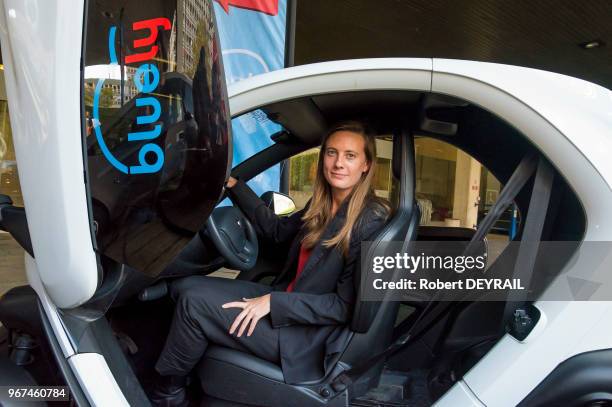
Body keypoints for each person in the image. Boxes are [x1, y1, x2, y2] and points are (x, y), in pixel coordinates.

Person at [151, 121, 391, 406]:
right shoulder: (324, 204)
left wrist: (272, 304)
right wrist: (234, 186)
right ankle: (184, 376)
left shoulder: (368, 220)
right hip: (290, 305)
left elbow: (344, 306)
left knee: (193, 303)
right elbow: (277, 232)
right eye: (331, 153)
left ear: (366, 165)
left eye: (350, 156)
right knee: (185, 286)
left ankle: (167, 394)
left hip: (307, 337)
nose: (338, 163)